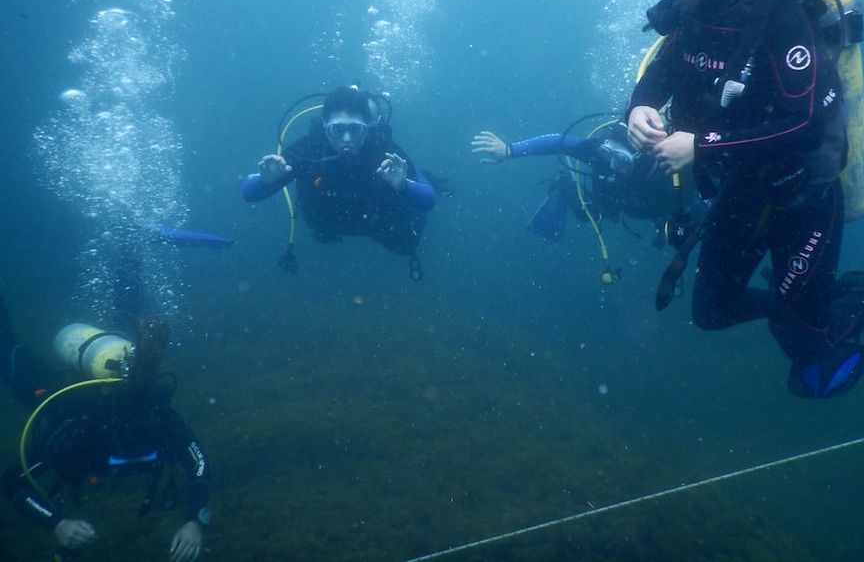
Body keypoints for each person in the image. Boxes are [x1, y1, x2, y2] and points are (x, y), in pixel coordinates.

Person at [625, 0, 864, 398]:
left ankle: (842, 302)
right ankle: (795, 300)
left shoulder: (777, 14)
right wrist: (638, 108)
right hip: (744, 190)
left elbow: (806, 124)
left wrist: (702, 146)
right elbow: (655, 79)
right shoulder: (692, 16)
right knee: (711, 313)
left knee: (804, 344)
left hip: (803, 195)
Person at [0, 283, 211, 561]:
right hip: (50, 392)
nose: (138, 434)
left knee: (125, 318)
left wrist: (195, 521)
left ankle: (129, 253)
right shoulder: (79, 431)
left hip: (111, 386)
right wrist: (56, 523)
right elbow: (12, 484)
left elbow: (199, 464)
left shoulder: (159, 417)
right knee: (7, 349)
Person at [242, 85, 436, 279]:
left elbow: (428, 199)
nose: (347, 138)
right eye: (337, 130)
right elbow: (250, 194)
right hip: (329, 223)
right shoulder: (308, 151)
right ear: (325, 127)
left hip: (378, 223)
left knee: (405, 245)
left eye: (355, 129)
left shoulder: (383, 152)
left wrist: (403, 185)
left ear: (367, 128)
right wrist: (265, 181)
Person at [471, 126, 700, 247]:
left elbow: (696, 196)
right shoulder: (599, 151)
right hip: (623, 204)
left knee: (682, 227)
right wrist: (509, 150)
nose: (618, 161)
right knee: (588, 214)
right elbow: (559, 142)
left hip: (660, 206)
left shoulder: (666, 162)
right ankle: (564, 187)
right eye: (614, 153)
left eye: (626, 157)